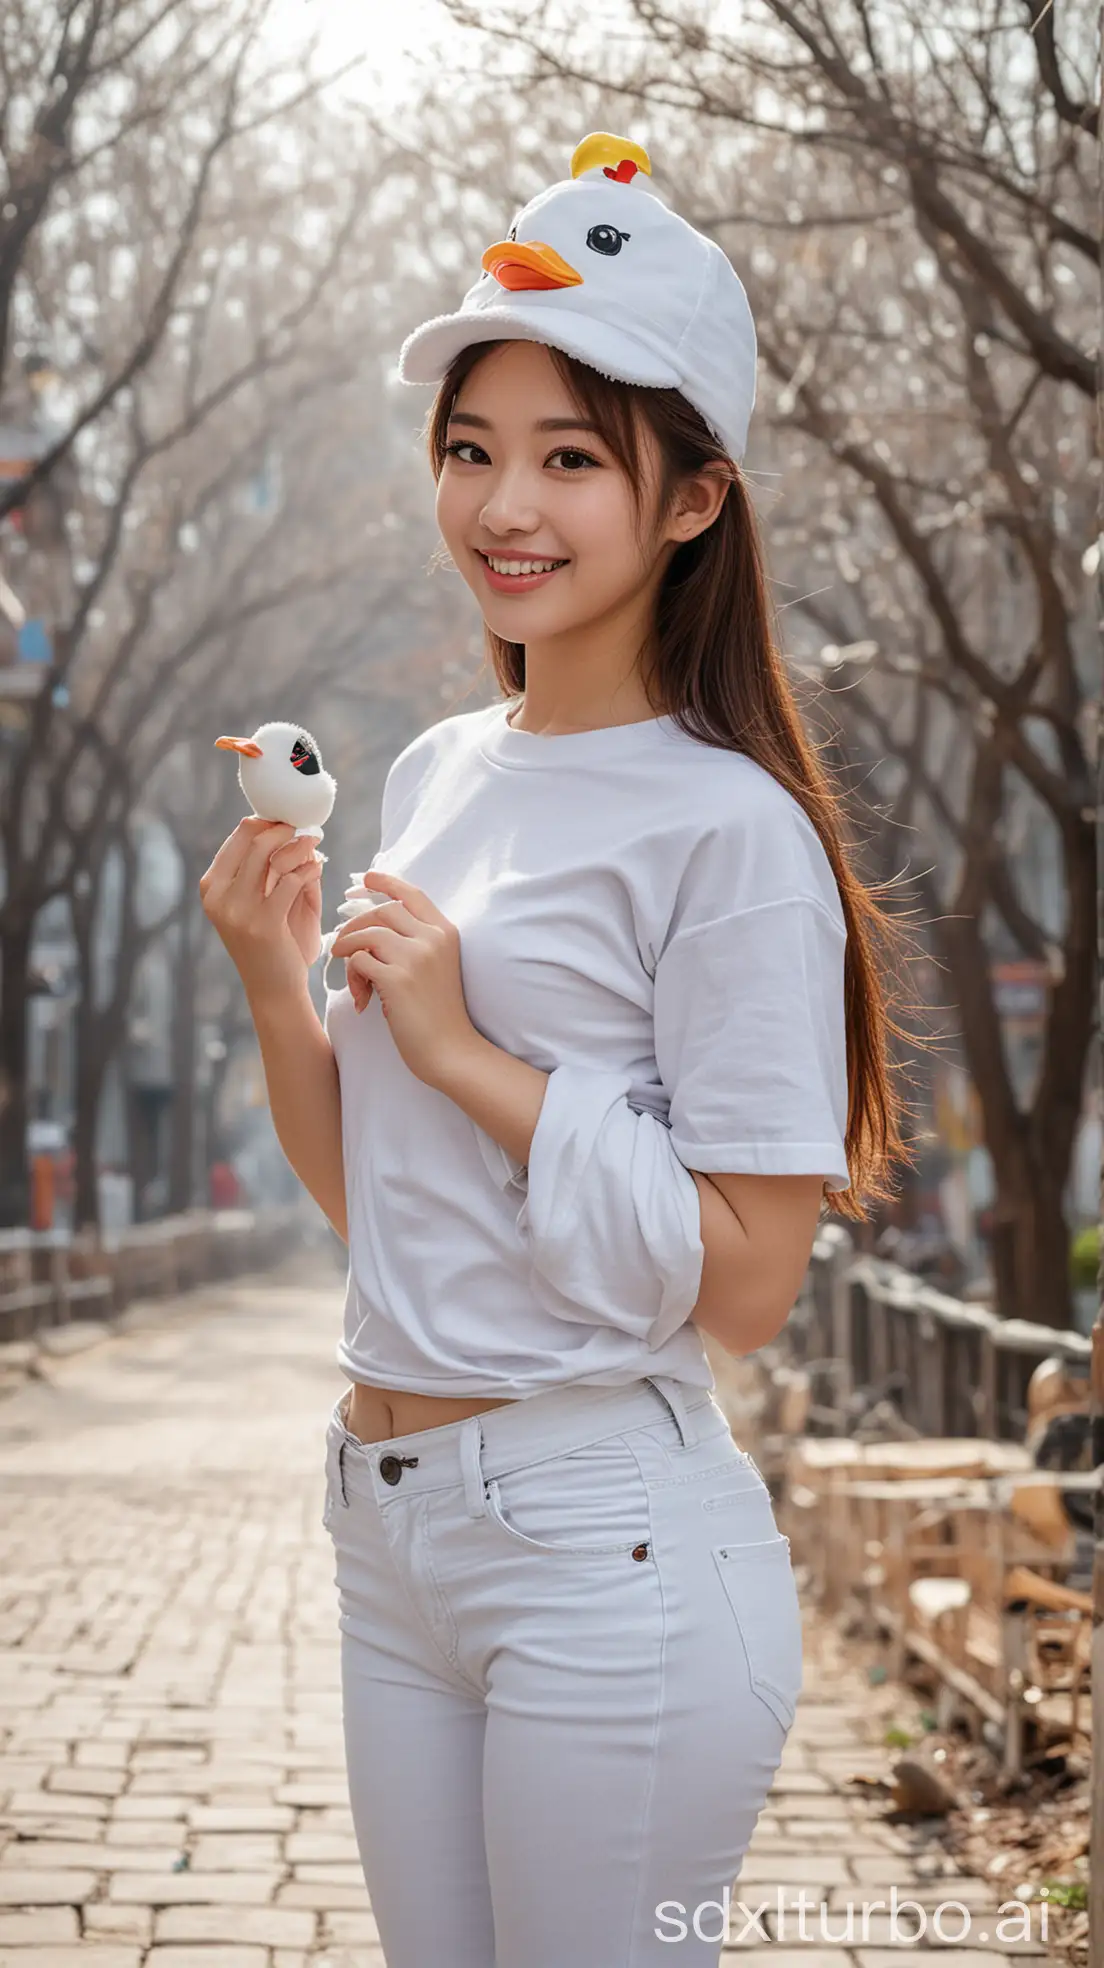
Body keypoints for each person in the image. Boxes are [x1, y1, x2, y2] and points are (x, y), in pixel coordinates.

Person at [200, 131, 912, 1968]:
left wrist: (463, 1052)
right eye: (471, 449)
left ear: (689, 501)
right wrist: (287, 988)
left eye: (570, 459)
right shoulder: (440, 774)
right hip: (389, 1521)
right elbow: (388, 1209)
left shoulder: (731, 833)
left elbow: (751, 1284)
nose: (503, 505)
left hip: (610, 1541)